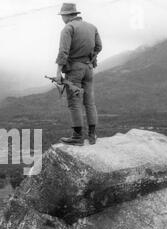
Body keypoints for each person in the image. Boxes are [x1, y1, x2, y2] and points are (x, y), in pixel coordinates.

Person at [55, 3, 102, 145]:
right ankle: (92, 136)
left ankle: (77, 137)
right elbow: (99, 47)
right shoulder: (92, 27)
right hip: (88, 69)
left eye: (62, 15)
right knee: (89, 102)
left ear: (67, 15)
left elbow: (63, 52)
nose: (62, 18)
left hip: (74, 70)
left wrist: (58, 72)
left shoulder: (68, 28)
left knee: (74, 102)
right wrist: (91, 59)